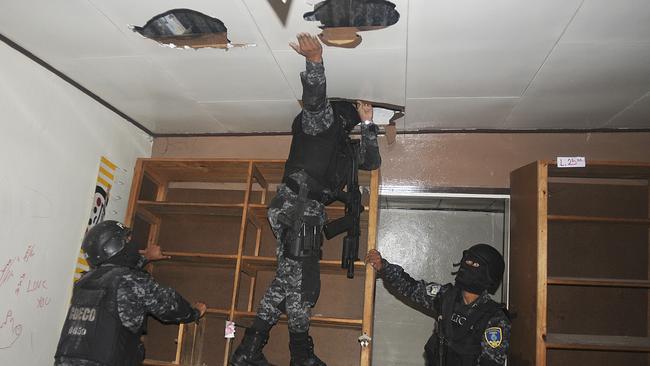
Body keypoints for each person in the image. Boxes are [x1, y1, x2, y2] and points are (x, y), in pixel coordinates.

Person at [229, 33, 381, 366]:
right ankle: (299, 357)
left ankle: (248, 350)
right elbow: (314, 100)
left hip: (299, 211)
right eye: (353, 122)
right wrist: (315, 62)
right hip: (298, 209)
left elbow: (370, 162)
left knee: (287, 281)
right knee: (303, 288)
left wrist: (370, 124)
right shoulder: (322, 123)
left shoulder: (340, 146)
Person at [54, 220, 207, 366]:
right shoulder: (130, 280)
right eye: (126, 240)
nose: (131, 243)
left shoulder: (83, 281)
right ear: (114, 246)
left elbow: (115, 274)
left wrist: (145, 258)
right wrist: (194, 312)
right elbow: (169, 305)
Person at [365, 244, 510, 366]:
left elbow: (490, 362)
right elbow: (410, 287)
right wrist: (383, 266)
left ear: (489, 274)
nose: (468, 267)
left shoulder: (495, 318)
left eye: (475, 265)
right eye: (467, 262)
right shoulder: (445, 296)